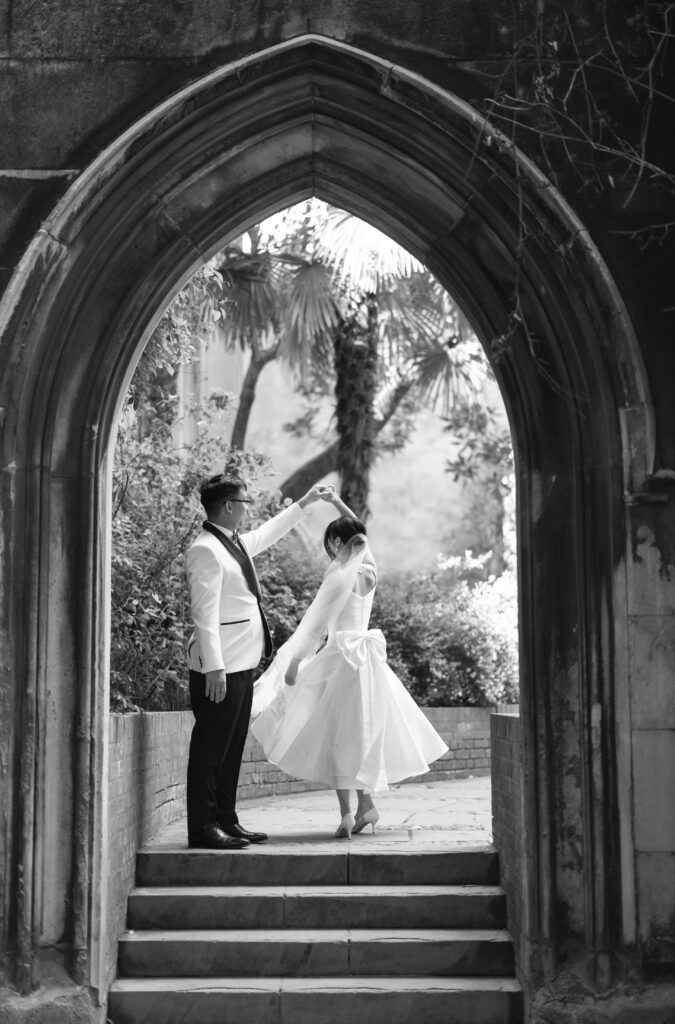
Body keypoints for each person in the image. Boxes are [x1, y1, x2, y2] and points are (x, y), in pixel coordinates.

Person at [251, 489, 449, 839]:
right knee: (363, 731)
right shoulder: (369, 571)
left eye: (331, 543)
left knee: (333, 733)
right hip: (367, 662)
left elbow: (314, 625)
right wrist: (338, 503)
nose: (329, 550)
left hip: (338, 657)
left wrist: (295, 661)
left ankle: (346, 813)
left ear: (340, 542)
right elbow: (363, 538)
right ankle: (366, 804)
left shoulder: (338, 576)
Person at [185, 473, 334, 850]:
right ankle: (202, 828)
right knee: (211, 746)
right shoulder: (206, 550)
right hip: (219, 668)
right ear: (229, 506)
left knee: (232, 744)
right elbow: (203, 614)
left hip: (242, 662)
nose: (247, 511)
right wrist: (214, 667)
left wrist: (305, 503)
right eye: (244, 503)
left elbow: (269, 532)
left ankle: (225, 819)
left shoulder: (232, 543)